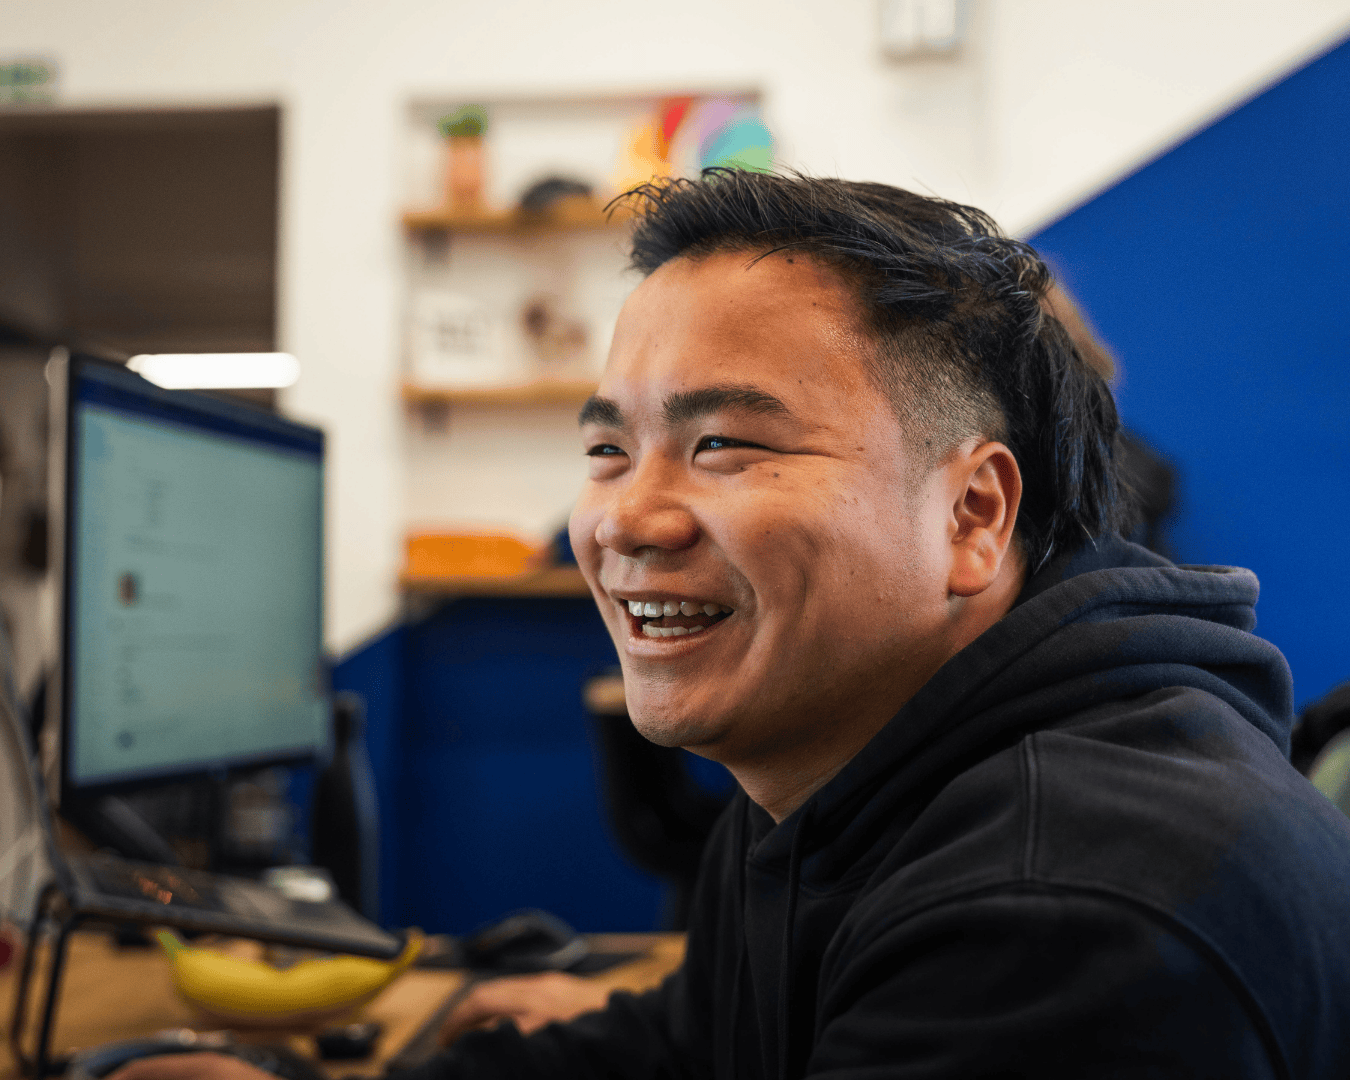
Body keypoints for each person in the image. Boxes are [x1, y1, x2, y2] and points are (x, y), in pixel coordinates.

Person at [115, 172, 1350, 1080]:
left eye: (723, 444)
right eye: (608, 449)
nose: (625, 518)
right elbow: (687, 1044)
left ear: (975, 513)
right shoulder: (839, 763)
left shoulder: (1061, 911)